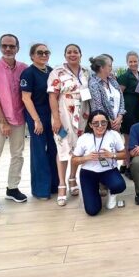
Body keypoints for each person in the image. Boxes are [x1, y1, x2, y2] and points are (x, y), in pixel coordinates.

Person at [0, 34, 29, 214]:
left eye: (11, 46)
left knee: (18, 154)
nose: (8, 49)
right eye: (5, 46)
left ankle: (12, 188)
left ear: (17, 47)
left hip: (18, 117)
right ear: (0, 47)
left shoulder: (23, 68)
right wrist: (2, 121)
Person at [47, 43, 91, 203]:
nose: (73, 54)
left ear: (81, 54)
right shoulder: (57, 72)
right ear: (65, 55)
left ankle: (73, 177)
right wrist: (56, 119)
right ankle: (62, 184)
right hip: (63, 116)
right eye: (69, 52)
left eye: (76, 52)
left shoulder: (86, 72)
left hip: (83, 117)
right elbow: (52, 96)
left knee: (78, 149)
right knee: (63, 148)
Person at [20, 43, 59, 200]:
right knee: (39, 153)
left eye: (46, 52)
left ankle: (54, 185)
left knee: (54, 150)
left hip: (52, 116)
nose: (43, 55)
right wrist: (36, 120)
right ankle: (41, 190)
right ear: (32, 55)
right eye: (39, 52)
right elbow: (25, 98)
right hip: (37, 116)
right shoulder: (28, 73)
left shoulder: (51, 72)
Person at [71, 110, 128, 215]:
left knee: (119, 185)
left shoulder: (114, 135)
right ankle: (94, 190)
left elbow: (124, 154)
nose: (100, 126)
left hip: (108, 170)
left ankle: (111, 192)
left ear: (107, 123)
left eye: (103, 122)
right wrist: (86, 158)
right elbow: (74, 160)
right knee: (92, 211)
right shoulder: (84, 138)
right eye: (96, 123)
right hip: (88, 172)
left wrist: (112, 155)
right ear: (90, 125)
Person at [118, 51, 139, 176]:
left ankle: (123, 164)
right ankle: (128, 166)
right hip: (128, 112)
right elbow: (119, 94)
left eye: (135, 61)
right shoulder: (124, 76)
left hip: (138, 112)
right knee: (128, 140)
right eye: (130, 61)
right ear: (127, 63)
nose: (133, 63)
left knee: (135, 139)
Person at [88, 54, 126, 133]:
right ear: (102, 67)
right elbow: (98, 106)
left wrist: (119, 117)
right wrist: (110, 122)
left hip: (117, 124)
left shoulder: (112, 80)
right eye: (109, 66)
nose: (111, 68)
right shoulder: (93, 84)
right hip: (103, 126)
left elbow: (121, 99)